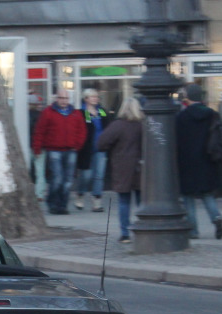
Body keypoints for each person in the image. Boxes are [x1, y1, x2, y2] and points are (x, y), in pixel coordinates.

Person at [175, 83, 222, 239]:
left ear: (187, 97)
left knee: (188, 197)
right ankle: (216, 218)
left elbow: (177, 141)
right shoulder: (211, 114)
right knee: (207, 194)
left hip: (187, 161)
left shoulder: (181, 117)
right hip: (207, 159)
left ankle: (193, 230)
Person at [96, 97, 143, 244]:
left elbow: (101, 143)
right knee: (142, 202)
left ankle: (125, 234)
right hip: (142, 167)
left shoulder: (118, 125)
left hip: (122, 167)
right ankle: (144, 230)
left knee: (124, 201)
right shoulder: (143, 125)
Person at [32, 88, 86, 215]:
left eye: (66, 98)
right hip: (54, 149)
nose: (63, 101)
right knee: (57, 178)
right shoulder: (48, 112)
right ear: (57, 99)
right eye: (61, 98)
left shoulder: (75, 113)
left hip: (71, 150)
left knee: (68, 181)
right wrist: (37, 148)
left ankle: (62, 205)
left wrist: (77, 145)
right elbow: (40, 131)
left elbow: (82, 131)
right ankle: (53, 204)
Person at [72, 88, 110, 212]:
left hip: (101, 148)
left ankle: (97, 200)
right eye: (92, 97)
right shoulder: (81, 112)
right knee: (86, 176)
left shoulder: (101, 111)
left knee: (99, 175)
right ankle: (80, 194)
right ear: (86, 99)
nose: (95, 99)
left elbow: (107, 125)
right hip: (86, 149)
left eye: (96, 97)